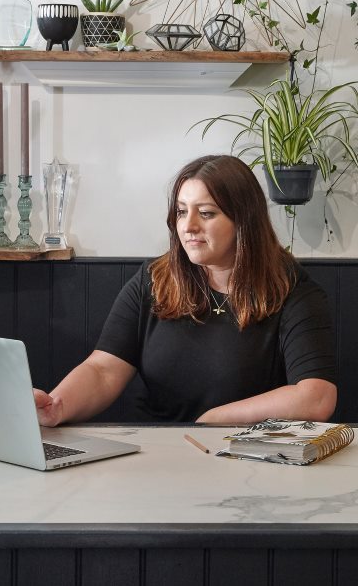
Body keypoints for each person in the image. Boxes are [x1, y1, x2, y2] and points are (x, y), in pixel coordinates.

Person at [34, 154, 336, 426]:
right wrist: (58, 406)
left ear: (244, 221)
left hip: (248, 457)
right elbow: (103, 370)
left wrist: (214, 420)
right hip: (157, 454)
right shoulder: (154, 280)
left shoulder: (293, 290)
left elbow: (316, 397)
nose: (188, 226)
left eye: (206, 213)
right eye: (181, 212)